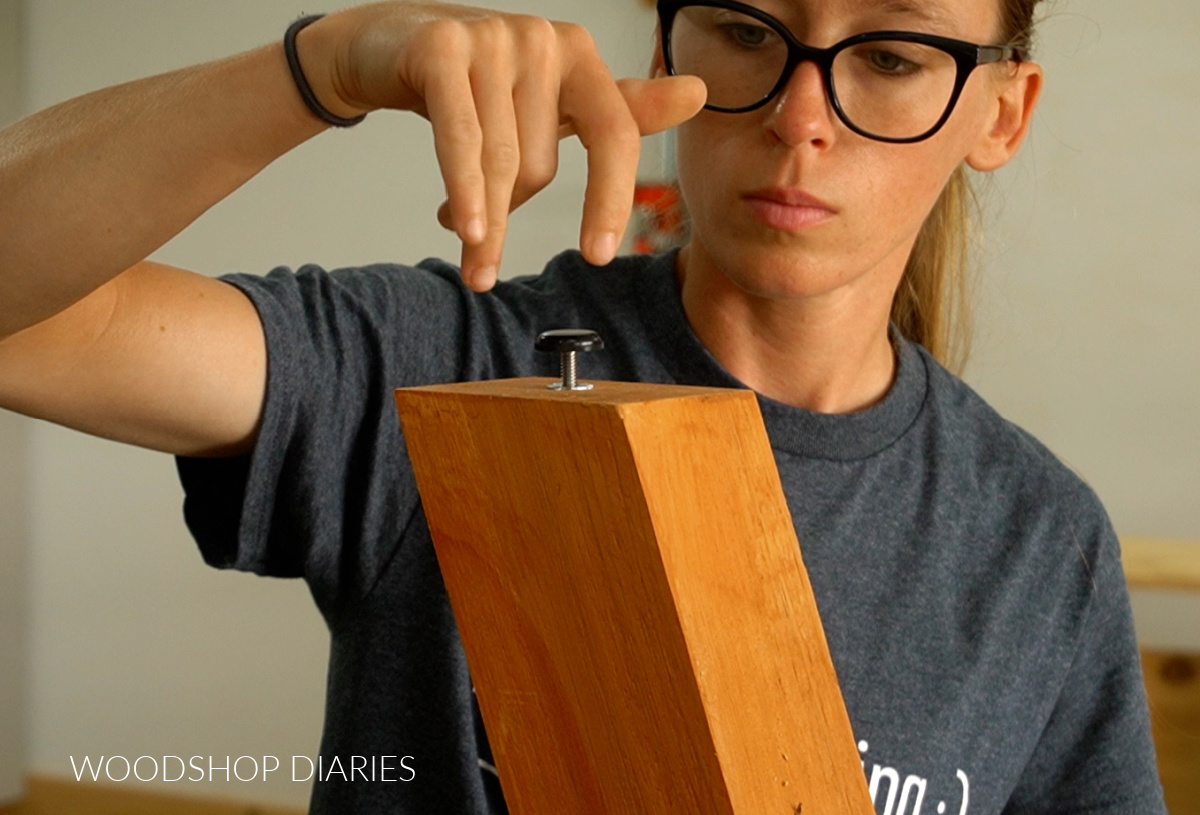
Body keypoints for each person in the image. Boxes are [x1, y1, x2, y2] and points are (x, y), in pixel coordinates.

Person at [0, 0, 1167, 813]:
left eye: (895, 56)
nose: (803, 116)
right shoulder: (448, 363)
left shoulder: (1039, 540)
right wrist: (325, 65)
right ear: (670, 39)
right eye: (751, 32)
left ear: (1002, 113)